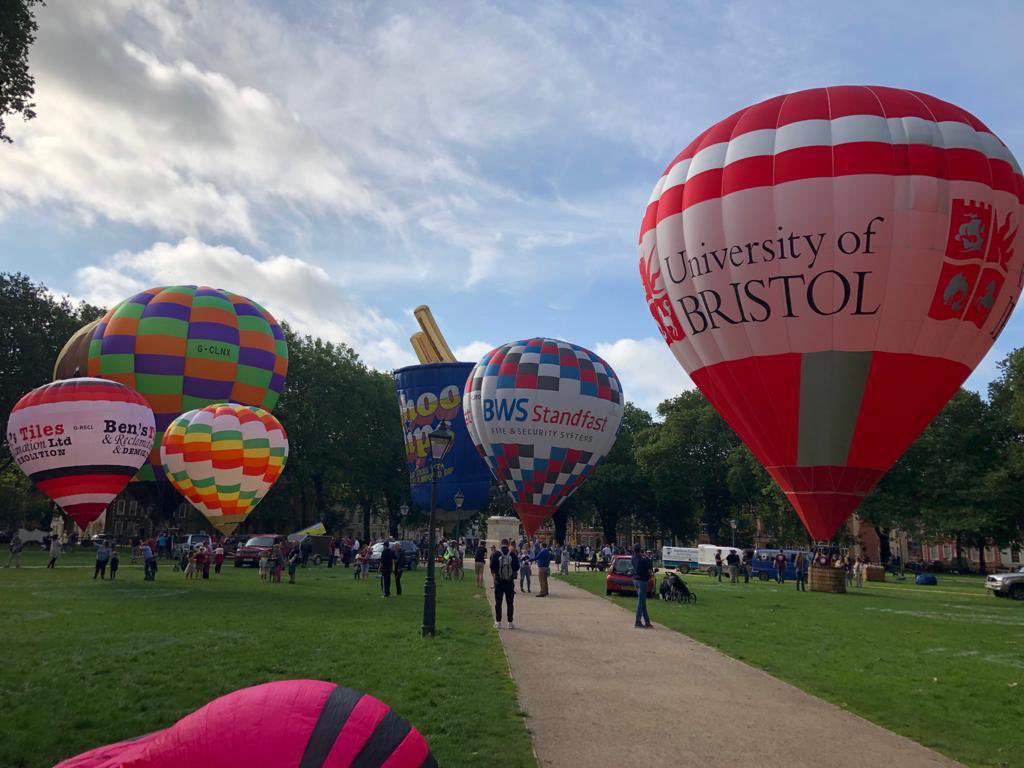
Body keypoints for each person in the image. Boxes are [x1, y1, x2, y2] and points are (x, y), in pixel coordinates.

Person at [490, 538, 520, 629]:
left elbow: (492, 566)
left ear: (501, 544)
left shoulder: (496, 554)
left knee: (498, 602)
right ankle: (510, 622)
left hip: (499, 581)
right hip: (509, 582)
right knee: (510, 603)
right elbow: (517, 566)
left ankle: (498, 622)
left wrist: (496, 574)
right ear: (508, 544)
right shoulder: (512, 554)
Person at [631, 544, 654, 629]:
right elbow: (649, 570)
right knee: (641, 602)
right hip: (642, 581)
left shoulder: (633, 558)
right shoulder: (644, 560)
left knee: (642, 601)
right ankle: (637, 621)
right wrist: (646, 557)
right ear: (640, 550)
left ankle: (647, 621)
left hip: (635, 580)